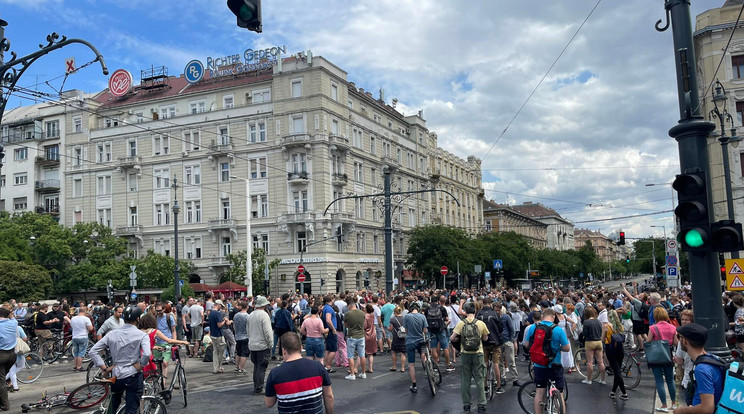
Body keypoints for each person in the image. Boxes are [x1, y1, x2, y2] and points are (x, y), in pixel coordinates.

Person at [89, 305, 150, 414]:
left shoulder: (112, 334)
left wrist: (104, 369)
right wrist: (141, 365)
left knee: (112, 407)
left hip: (116, 374)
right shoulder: (142, 335)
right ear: (138, 319)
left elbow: (92, 351)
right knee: (131, 409)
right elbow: (146, 354)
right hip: (133, 374)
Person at [265, 332, 334, 414]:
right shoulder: (318, 367)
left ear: (284, 350)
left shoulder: (275, 373)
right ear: (301, 348)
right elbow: (329, 396)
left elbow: (269, 403)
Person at [523, 307, 570, 414]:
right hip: (555, 364)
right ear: (554, 317)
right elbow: (567, 348)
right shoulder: (558, 329)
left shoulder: (533, 328)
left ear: (542, 316)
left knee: (539, 392)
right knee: (560, 393)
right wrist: (557, 347)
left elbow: (526, 344)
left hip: (539, 365)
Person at [673, 323, 726, 414]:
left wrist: (682, 410)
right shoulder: (712, 359)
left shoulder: (701, 369)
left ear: (686, 341)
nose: (678, 339)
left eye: (679, 336)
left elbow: (707, 408)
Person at [451, 301, 489, 413]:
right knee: (480, 379)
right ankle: (481, 404)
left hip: (465, 353)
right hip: (478, 353)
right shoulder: (481, 323)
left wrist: (461, 339)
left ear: (465, 311)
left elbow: (452, 338)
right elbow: (486, 338)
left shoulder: (461, 324)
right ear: (475, 310)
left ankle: (466, 404)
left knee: (465, 380)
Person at [649, 306, 678, 412]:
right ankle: (674, 403)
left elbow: (648, 341)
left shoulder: (653, 328)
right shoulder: (672, 327)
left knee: (659, 381)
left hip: (656, 357)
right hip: (668, 355)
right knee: (670, 380)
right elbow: (676, 343)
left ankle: (664, 405)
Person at [475, 297, 503, 394]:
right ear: (490, 304)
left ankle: (485, 386)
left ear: (483, 303)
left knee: (485, 363)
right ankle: (498, 386)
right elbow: (501, 327)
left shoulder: (479, 314)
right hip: (495, 341)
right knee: (496, 364)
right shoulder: (495, 313)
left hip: (484, 341)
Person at [248, 296, 274, 394]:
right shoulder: (264, 315)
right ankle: (259, 388)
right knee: (262, 367)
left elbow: (248, 330)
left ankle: (256, 386)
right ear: (264, 305)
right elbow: (267, 331)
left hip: (252, 344)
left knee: (256, 366)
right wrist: (270, 343)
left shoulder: (251, 315)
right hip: (262, 345)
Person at [403, 302, 428, 393]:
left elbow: (405, 330)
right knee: (423, 354)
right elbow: (425, 330)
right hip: (421, 340)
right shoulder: (422, 317)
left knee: (411, 364)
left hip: (410, 341)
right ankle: (427, 369)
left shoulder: (407, 316)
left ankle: (414, 385)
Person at [605, 307, 628, 400]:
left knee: (617, 371)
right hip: (620, 349)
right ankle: (613, 391)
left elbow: (603, 339)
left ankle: (624, 393)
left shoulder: (607, 327)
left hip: (611, 349)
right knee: (617, 369)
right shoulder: (620, 327)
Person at [581, 306, 606, 385]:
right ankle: (603, 379)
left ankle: (589, 379)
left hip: (590, 342)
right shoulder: (598, 321)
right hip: (598, 342)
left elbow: (585, 333)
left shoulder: (586, 322)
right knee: (600, 362)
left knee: (590, 362)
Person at [0, 307, 18, 411]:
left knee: (1, 381)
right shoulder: (13, 323)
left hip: (1, 354)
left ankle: (5, 405)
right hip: (12, 355)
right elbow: (12, 317)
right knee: (2, 378)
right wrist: (9, 313)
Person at [344, 300, 366, 380]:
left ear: (350, 305)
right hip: (361, 335)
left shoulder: (348, 314)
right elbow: (363, 323)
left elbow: (346, 325)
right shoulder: (362, 313)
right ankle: (363, 373)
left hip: (352, 336)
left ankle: (352, 374)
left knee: (350, 356)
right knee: (362, 355)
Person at [208, 300, 231, 373]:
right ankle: (218, 367)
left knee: (215, 351)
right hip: (218, 334)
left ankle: (215, 368)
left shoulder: (210, 313)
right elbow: (219, 325)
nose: (220, 307)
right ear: (218, 305)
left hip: (212, 334)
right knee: (221, 351)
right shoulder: (217, 314)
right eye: (220, 305)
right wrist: (224, 320)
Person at [70, 307, 94, 372]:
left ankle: (75, 366)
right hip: (83, 336)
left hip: (75, 337)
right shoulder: (86, 319)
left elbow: (72, 326)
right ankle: (79, 367)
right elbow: (90, 328)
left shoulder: (73, 318)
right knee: (81, 353)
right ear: (85, 311)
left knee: (76, 352)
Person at [321, 295, 339, 373]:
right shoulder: (329, 308)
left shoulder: (325, 307)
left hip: (328, 330)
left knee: (328, 349)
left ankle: (325, 364)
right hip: (331, 331)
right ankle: (328, 366)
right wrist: (333, 329)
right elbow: (328, 319)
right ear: (331, 299)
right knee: (333, 349)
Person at [388, 305, 407, 372]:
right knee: (403, 352)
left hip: (396, 337)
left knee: (394, 351)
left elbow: (391, 328)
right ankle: (402, 368)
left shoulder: (393, 319)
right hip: (403, 336)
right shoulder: (404, 319)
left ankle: (394, 366)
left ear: (394, 312)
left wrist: (388, 328)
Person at [233, 301, 250, 373]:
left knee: (238, 352)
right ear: (247, 307)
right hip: (245, 336)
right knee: (244, 353)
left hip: (237, 336)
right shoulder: (248, 316)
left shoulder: (236, 315)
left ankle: (237, 367)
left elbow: (234, 325)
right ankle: (241, 368)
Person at [364, 303, 378, 373]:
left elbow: (365, 326)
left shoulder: (365, 316)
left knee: (363, 352)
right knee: (370, 353)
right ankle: (370, 368)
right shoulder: (372, 315)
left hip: (367, 334)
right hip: (373, 333)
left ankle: (357, 368)